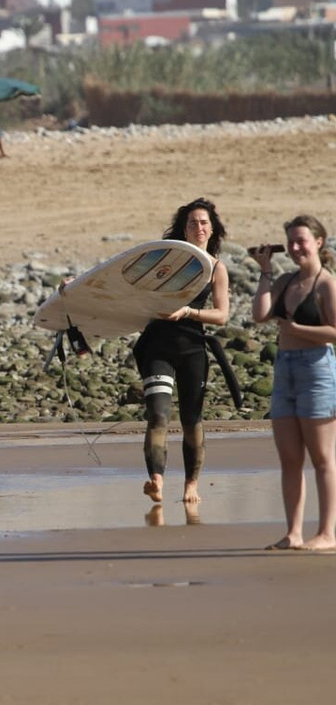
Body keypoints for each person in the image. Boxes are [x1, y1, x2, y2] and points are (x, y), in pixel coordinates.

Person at [132, 198, 230, 505]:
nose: (198, 227)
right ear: (183, 229)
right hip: (157, 347)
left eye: (203, 222)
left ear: (212, 229)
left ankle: (191, 484)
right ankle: (156, 480)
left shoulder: (216, 268)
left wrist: (188, 312)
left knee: (191, 419)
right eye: (192, 223)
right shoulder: (165, 261)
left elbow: (221, 315)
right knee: (158, 414)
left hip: (192, 349)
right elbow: (126, 289)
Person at [250, 215, 336, 552]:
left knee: (322, 457)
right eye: (291, 242)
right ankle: (293, 533)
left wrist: (298, 330)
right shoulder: (286, 280)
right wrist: (265, 270)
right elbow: (261, 314)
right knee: (289, 457)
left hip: (317, 370)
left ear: (319, 242)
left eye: (302, 240)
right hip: (284, 369)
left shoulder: (326, 284)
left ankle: (327, 533)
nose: (296, 247)